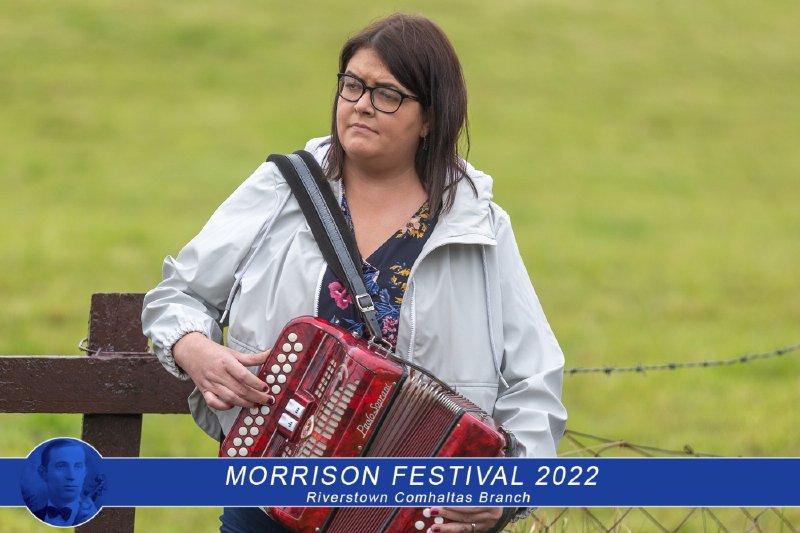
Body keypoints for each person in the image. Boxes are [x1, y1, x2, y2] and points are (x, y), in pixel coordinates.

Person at [143, 13, 567, 533]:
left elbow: (535, 377)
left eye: (388, 94)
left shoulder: (477, 223)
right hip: (269, 501)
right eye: (352, 85)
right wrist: (193, 348)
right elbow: (178, 295)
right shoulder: (283, 188)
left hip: (410, 515)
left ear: (430, 118)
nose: (362, 104)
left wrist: (510, 490)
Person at [31, 439, 99, 527]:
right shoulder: (30, 517)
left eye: (78, 467)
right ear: (43, 473)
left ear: (84, 473)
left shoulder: (96, 518)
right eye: (61, 466)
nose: (71, 476)